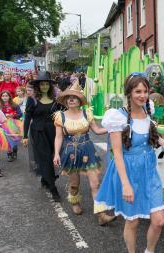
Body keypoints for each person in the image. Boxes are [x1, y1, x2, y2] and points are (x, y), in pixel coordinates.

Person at [95, 73, 164, 253]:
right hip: (128, 172)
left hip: (149, 171)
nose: (143, 95)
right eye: (138, 91)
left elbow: (149, 134)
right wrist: (126, 185)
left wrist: (163, 142)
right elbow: (117, 153)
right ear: (129, 93)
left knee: (159, 221)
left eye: (145, 91)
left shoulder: (148, 110)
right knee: (133, 221)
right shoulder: (119, 117)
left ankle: (149, 251)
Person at [53, 80, 116, 225]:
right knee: (74, 183)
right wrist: (56, 154)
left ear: (79, 100)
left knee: (95, 183)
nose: (71, 100)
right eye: (68, 98)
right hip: (70, 152)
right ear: (65, 101)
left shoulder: (87, 113)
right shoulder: (60, 116)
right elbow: (58, 136)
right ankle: (75, 202)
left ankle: (101, 214)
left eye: (74, 97)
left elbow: (98, 131)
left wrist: (114, 127)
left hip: (88, 149)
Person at [22, 71, 64, 202]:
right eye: (42, 84)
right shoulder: (32, 99)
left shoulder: (56, 100)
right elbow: (27, 118)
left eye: (46, 84)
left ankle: (45, 179)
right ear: (38, 86)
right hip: (38, 132)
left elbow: (62, 114)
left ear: (50, 86)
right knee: (45, 158)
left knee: (52, 157)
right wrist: (25, 136)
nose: (44, 86)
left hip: (54, 132)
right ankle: (53, 188)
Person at [0, 90, 22, 161]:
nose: (5, 97)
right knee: (7, 140)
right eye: (3, 96)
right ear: (1, 97)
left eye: (6, 96)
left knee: (14, 139)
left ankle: (15, 150)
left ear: (9, 97)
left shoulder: (15, 105)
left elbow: (20, 114)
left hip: (14, 124)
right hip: (4, 125)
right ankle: (9, 154)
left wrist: (13, 116)